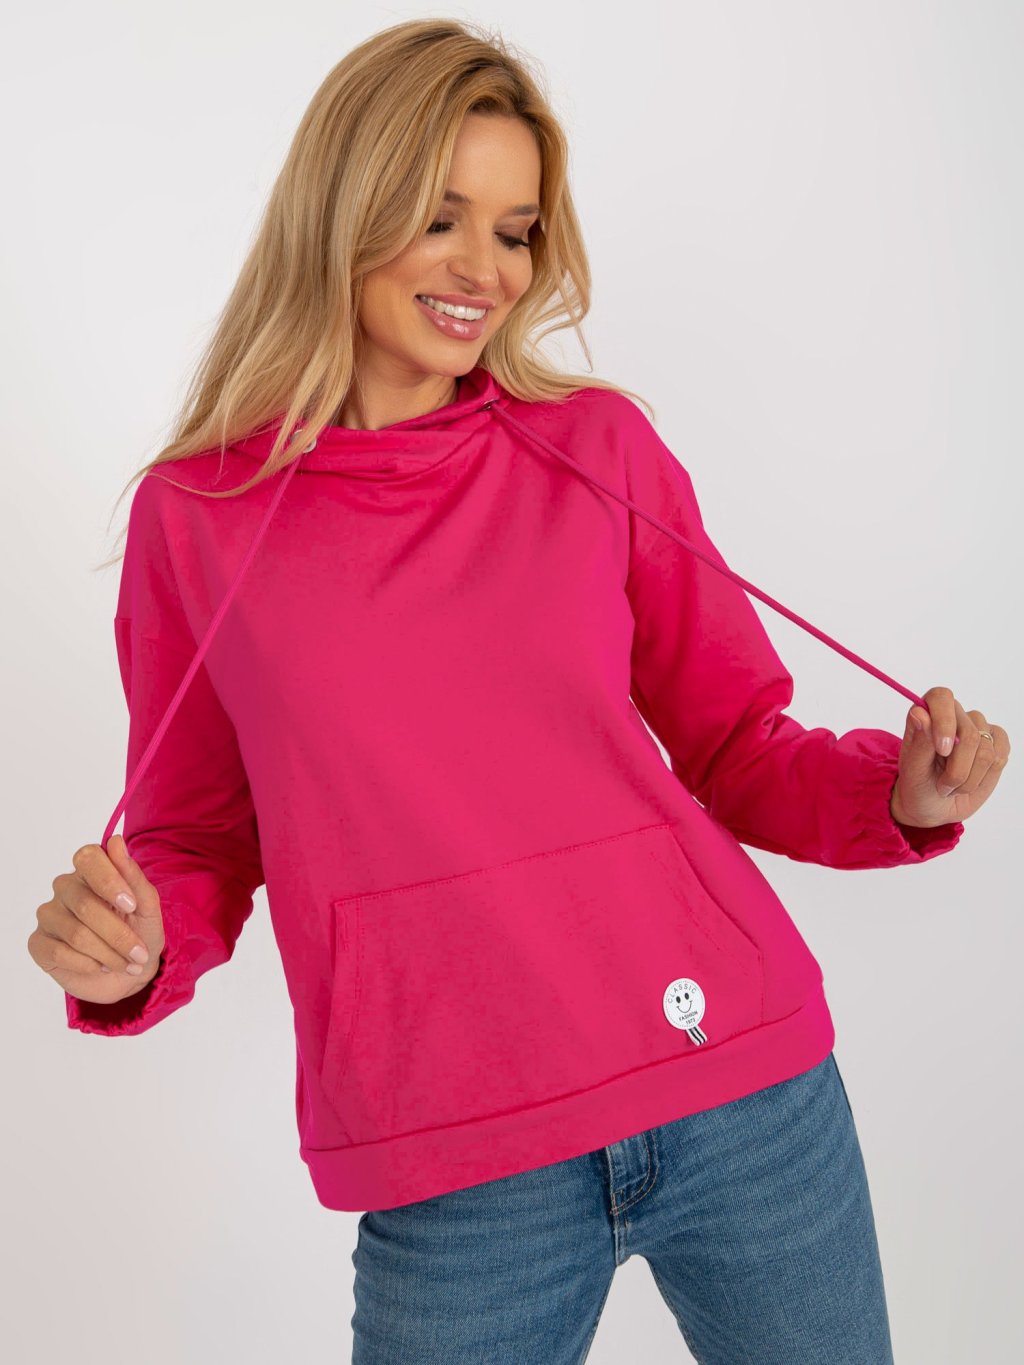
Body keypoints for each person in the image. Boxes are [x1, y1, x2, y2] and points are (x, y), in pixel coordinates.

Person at [28, 17, 1009, 1364]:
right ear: (340, 209)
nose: (483, 269)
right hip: (458, 1164)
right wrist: (139, 952)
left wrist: (895, 793)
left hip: (744, 1091)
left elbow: (736, 743)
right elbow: (195, 837)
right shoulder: (199, 515)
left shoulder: (597, 447)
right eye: (440, 217)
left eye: (515, 230)